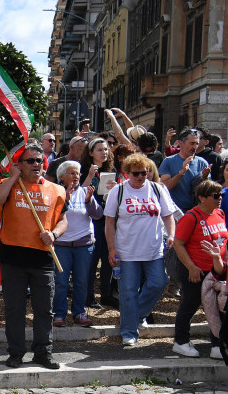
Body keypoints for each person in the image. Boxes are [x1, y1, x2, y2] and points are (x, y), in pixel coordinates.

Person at [0, 141, 66, 369]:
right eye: (29, 161)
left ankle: (43, 353)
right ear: (20, 164)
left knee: (44, 309)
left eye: (39, 161)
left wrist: (55, 234)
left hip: (43, 258)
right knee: (14, 309)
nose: (35, 164)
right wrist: (13, 177)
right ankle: (15, 353)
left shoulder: (56, 190)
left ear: (45, 163)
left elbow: (63, 219)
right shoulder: (9, 184)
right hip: (13, 258)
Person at [104, 153, 178, 346]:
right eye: (136, 174)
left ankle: (135, 315)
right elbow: (109, 222)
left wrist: (171, 235)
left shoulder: (157, 189)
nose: (140, 177)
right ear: (127, 173)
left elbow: (168, 216)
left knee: (159, 283)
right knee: (128, 291)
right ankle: (129, 331)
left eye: (144, 173)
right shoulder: (118, 192)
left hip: (153, 249)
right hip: (126, 251)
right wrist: (111, 248)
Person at [172, 179, 228, 358]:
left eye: (222, 195)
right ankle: (180, 342)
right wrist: (191, 267)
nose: (220, 198)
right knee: (191, 303)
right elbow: (178, 244)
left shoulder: (219, 213)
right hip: (196, 270)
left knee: (218, 307)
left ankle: (217, 345)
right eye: (216, 195)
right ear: (202, 197)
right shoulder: (191, 217)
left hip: (216, 270)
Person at [53, 160, 101, 327]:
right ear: (61, 176)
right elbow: (51, 217)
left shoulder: (85, 192)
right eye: (71, 173)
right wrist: (65, 198)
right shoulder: (56, 193)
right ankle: (59, 314)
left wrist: (89, 200)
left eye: (77, 173)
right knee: (61, 282)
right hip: (62, 245)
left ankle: (79, 313)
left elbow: (98, 215)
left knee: (81, 281)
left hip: (84, 244)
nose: (76, 176)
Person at [80, 137, 119, 309]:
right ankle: (88, 296)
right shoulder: (83, 169)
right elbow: (79, 193)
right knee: (92, 258)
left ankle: (106, 294)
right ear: (90, 153)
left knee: (108, 256)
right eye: (99, 150)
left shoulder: (112, 169)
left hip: (108, 217)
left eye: (106, 149)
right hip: (90, 218)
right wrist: (89, 175)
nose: (104, 152)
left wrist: (116, 187)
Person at [160, 128, 211, 214]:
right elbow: (165, 187)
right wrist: (181, 172)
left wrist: (205, 178)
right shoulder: (168, 162)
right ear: (181, 143)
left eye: (197, 144)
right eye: (191, 143)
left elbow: (208, 191)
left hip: (198, 211)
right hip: (176, 212)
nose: (195, 147)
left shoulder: (203, 162)